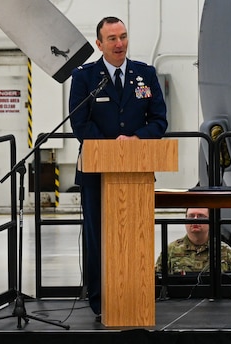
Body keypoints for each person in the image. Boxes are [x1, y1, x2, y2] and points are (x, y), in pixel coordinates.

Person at [69, 16, 168, 317]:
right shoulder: (85, 76)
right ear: (99, 44)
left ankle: (135, 298)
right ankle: (100, 301)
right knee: (98, 237)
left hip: (136, 171)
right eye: (112, 39)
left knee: (135, 235)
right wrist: (112, 146)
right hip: (97, 172)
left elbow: (160, 120)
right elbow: (79, 122)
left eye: (123, 36)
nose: (119, 44)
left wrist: (136, 138)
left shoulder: (145, 74)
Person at [155, 208, 231, 275]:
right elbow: (156, 281)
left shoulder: (226, 251)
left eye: (201, 216)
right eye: (191, 216)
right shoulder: (171, 250)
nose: (195, 219)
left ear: (210, 221)